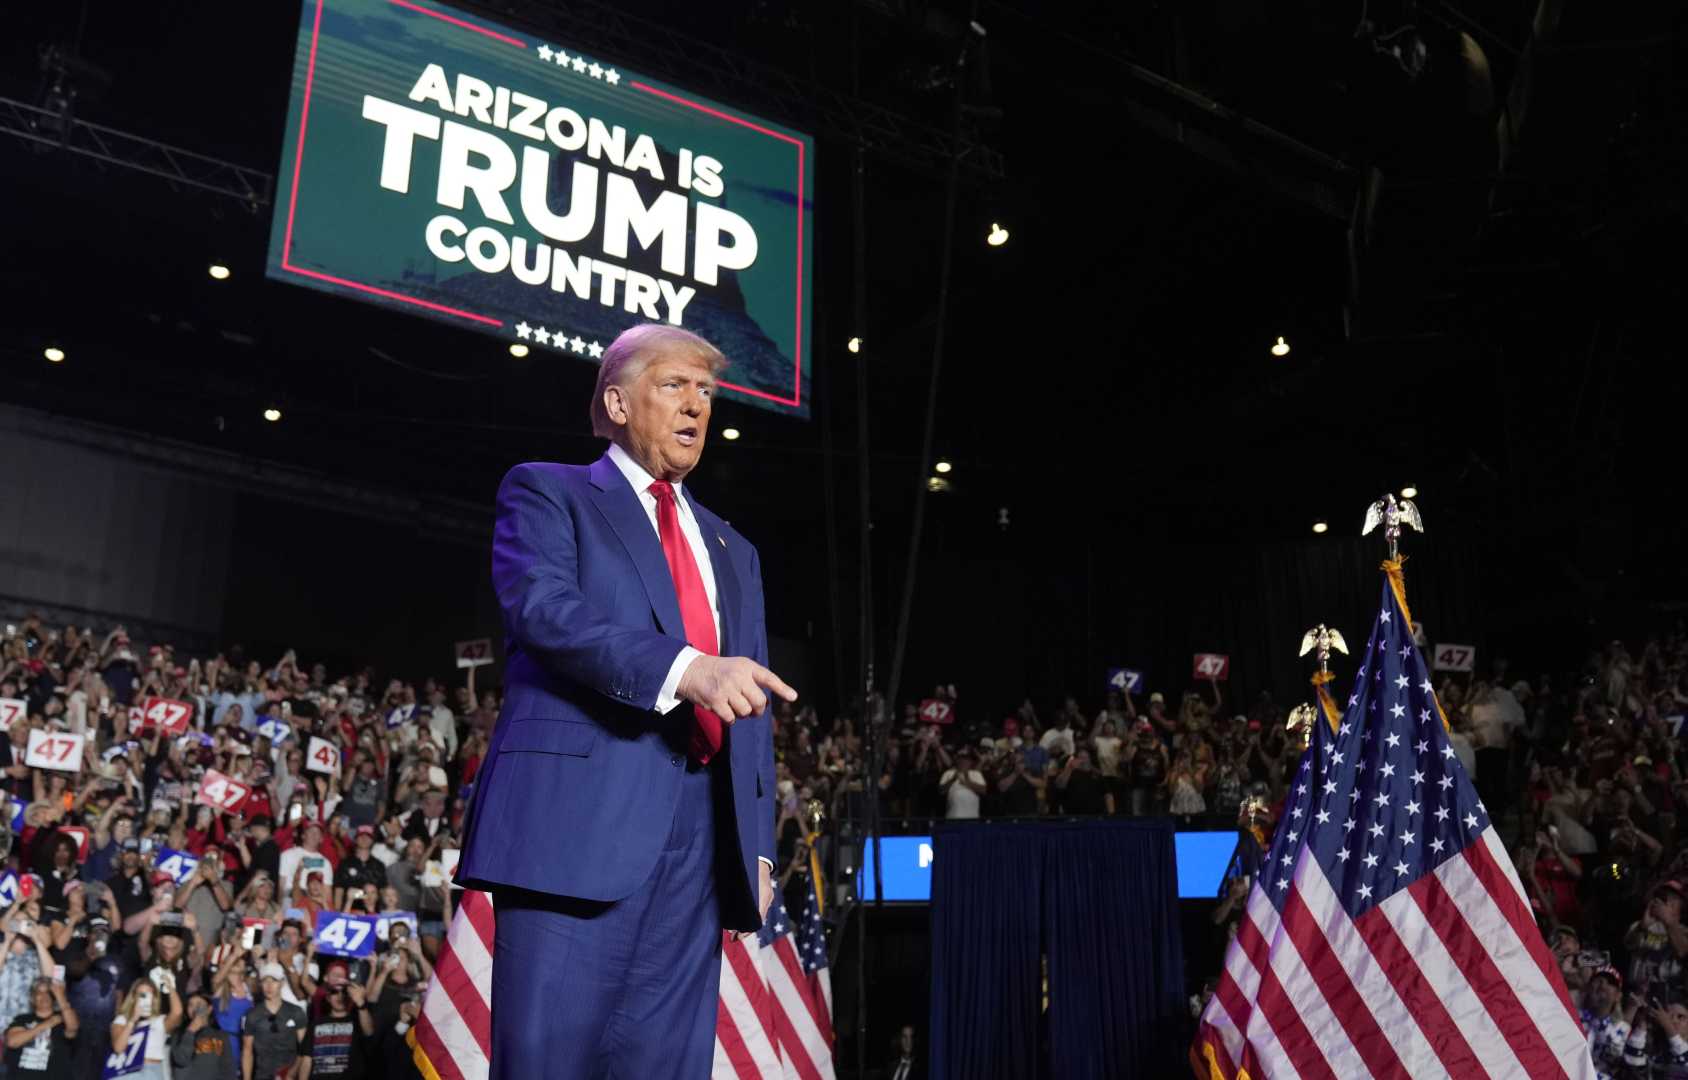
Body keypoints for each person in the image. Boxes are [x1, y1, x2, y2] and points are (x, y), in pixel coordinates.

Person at [456, 324, 795, 1080]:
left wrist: (759, 842)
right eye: (674, 385)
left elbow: (751, 700)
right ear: (615, 401)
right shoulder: (550, 492)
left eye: (706, 392)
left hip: (704, 850)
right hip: (574, 829)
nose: (697, 406)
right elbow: (546, 611)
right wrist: (686, 669)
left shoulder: (734, 550)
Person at [4, 976, 78, 1079]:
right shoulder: (22, 1019)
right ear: (33, 998)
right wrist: (47, 1024)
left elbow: (73, 1028)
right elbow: (13, 1042)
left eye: (48, 992)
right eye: (39, 993)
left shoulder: (63, 1019)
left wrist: (60, 996)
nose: (44, 996)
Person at [240, 963, 305, 1080]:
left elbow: (304, 1049)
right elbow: (247, 1051)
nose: (269, 986)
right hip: (263, 1075)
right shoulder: (252, 1014)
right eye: (265, 981)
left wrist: (292, 1073)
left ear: (282, 983)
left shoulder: (296, 1012)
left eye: (274, 981)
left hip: (289, 1075)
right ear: (260, 984)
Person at [109, 976, 182, 1080]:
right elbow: (118, 1048)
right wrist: (132, 1020)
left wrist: (170, 987)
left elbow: (177, 1013)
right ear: (134, 997)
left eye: (149, 994)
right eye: (141, 995)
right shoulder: (122, 1020)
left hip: (152, 1071)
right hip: (126, 1071)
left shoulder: (160, 1021)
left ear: (154, 998)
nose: (145, 998)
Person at [169, 991, 235, 1080]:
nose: (194, 1008)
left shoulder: (220, 1036)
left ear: (209, 1009)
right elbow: (181, 1060)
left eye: (199, 1004)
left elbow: (228, 1069)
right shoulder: (179, 1033)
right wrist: (191, 1031)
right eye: (190, 1005)